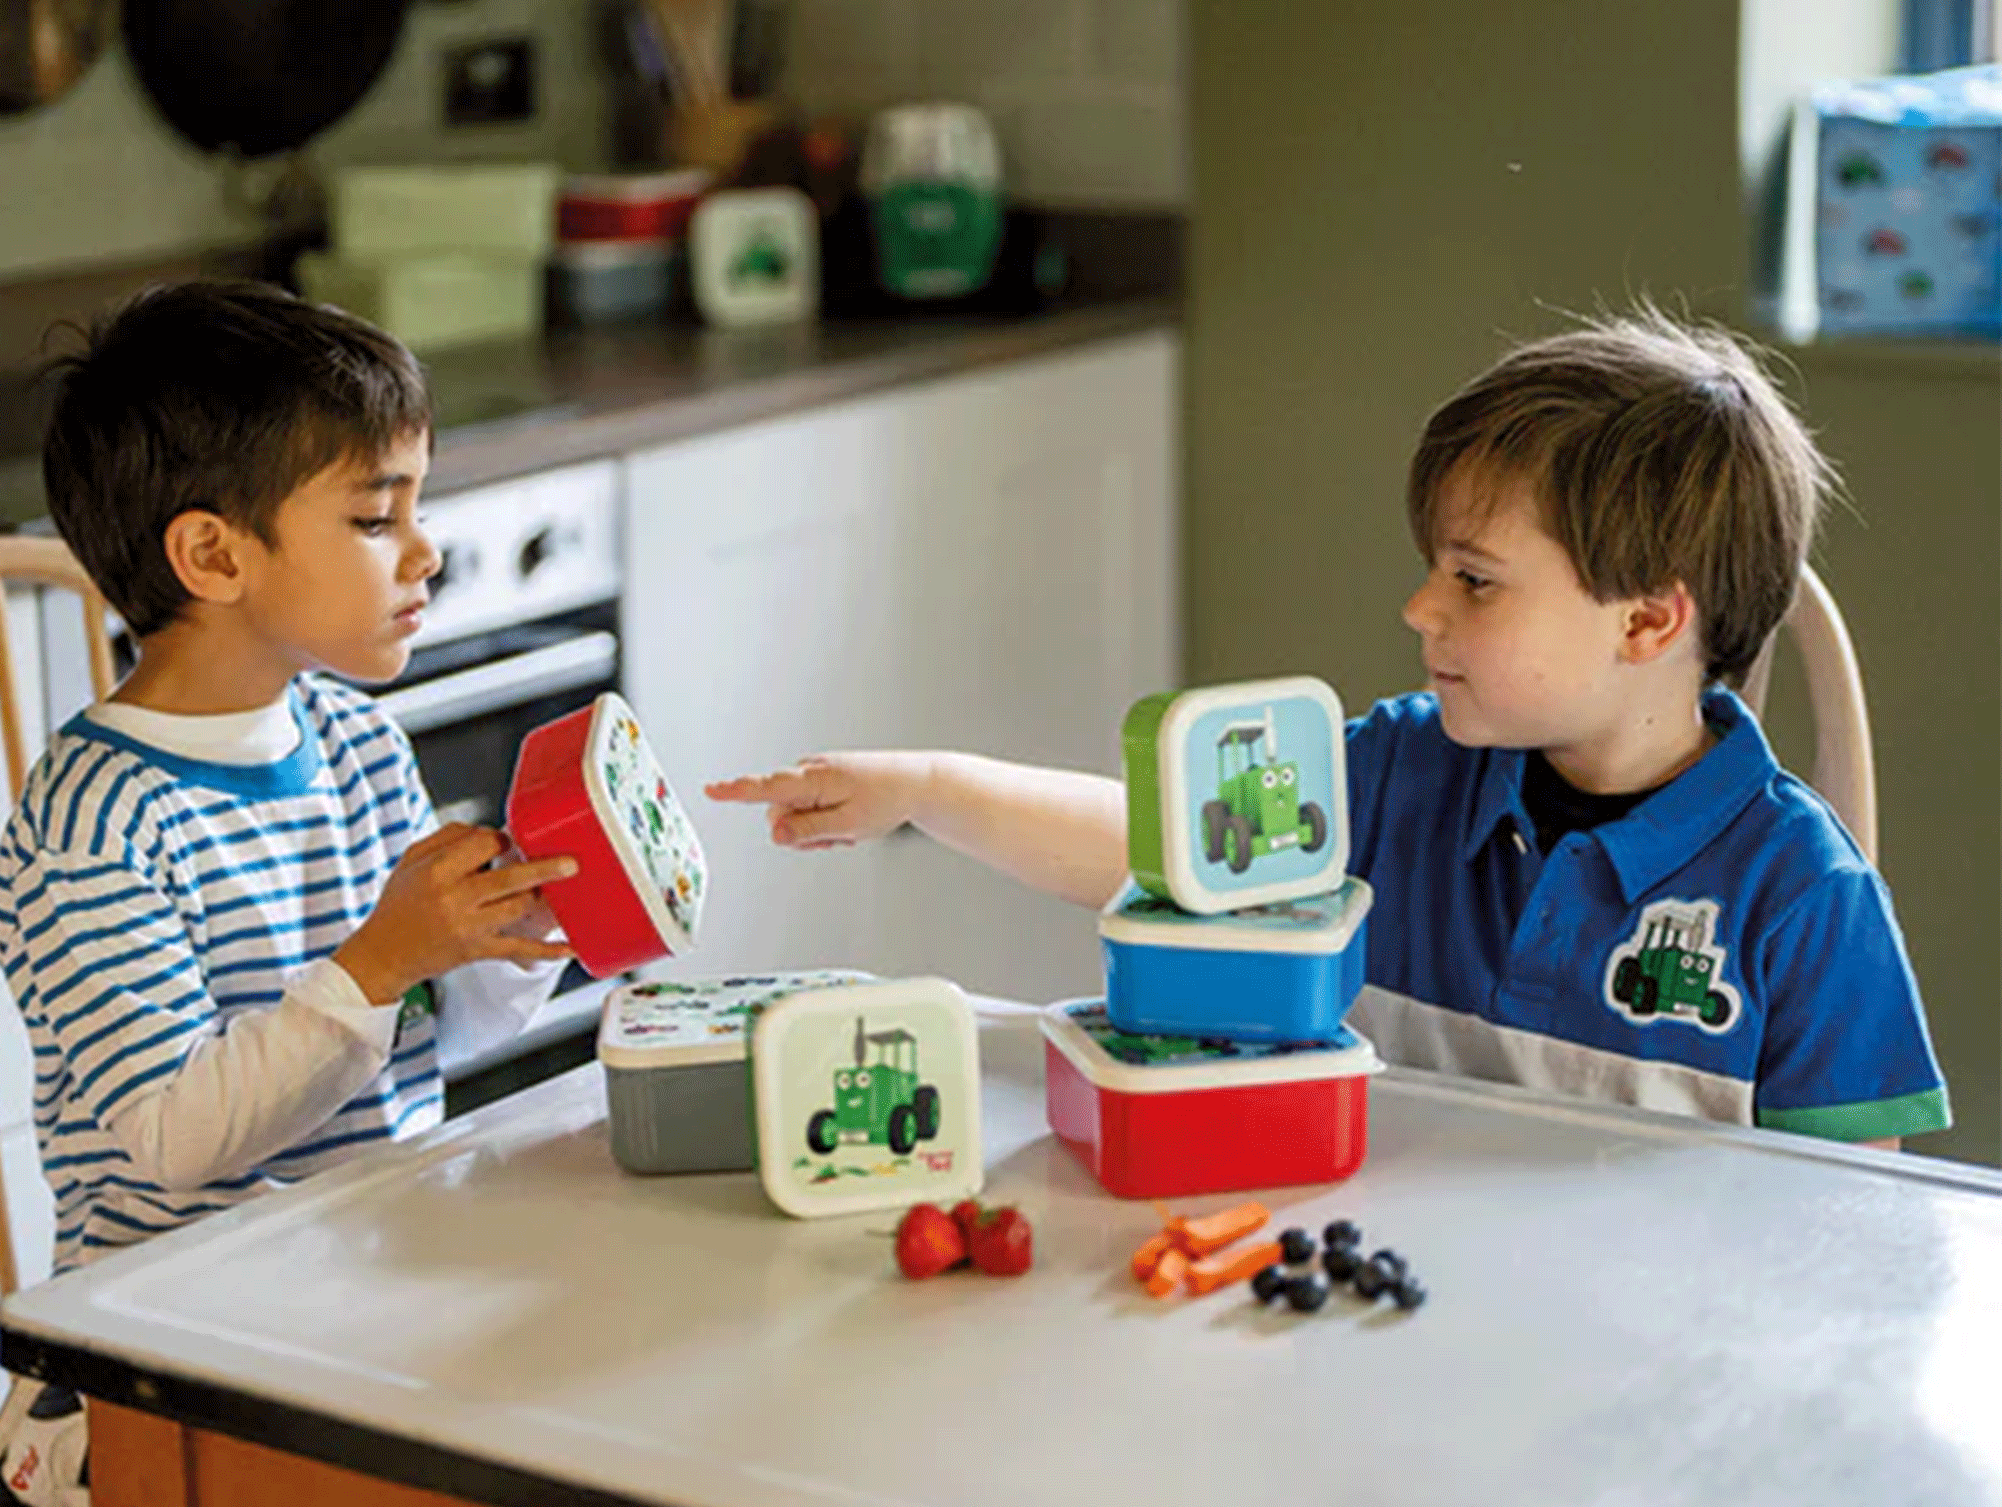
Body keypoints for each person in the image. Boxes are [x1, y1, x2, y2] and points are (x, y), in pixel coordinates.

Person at [709, 308, 1949, 1151]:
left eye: (1473, 578)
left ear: (1646, 622)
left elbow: (1846, 1240)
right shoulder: (1401, 774)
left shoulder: (1803, 901)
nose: (1418, 606)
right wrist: (929, 785)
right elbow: (1148, 844)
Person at [0, 281, 578, 1507]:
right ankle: (58, 1436)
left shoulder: (352, 739)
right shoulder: (96, 825)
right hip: (182, 1312)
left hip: (373, 1259)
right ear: (214, 558)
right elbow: (179, 1137)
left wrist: (506, 941)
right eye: (374, 517)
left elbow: (424, 1034)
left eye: (418, 506)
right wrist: (387, 954)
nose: (425, 551)